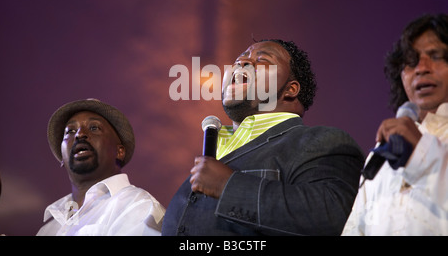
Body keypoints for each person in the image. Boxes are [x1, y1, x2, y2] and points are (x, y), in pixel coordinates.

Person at [162, 39, 365, 236]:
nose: (241, 63)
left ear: (290, 89)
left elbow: (334, 218)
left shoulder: (320, 142)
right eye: (238, 61)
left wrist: (229, 188)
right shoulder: (214, 149)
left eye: (262, 60)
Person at [343, 13, 448, 235]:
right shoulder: (381, 153)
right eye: (410, 61)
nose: (421, 68)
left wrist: (422, 154)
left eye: (435, 55)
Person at [37, 99, 165, 236]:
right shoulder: (47, 230)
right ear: (62, 158)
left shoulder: (138, 206)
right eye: (70, 131)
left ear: (119, 151)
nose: (79, 134)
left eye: (94, 128)